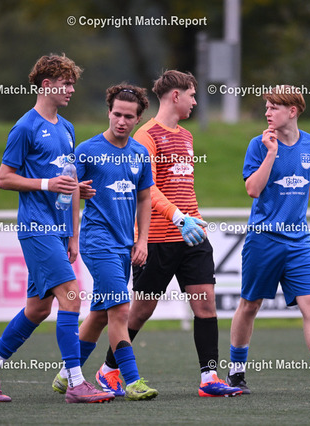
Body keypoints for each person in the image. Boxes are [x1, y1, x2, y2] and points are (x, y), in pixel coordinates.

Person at [0, 54, 113, 403]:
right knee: (72, 296)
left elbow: (69, 180)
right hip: (36, 227)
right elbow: (4, 178)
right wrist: (47, 184)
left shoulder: (67, 128)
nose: (72, 89)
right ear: (46, 85)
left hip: (59, 231)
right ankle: (76, 383)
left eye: (73, 83)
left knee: (37, 309)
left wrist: (74, 231)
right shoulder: (25, 127)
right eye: (66, 83)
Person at [94, 70, 242, 397]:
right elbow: (147, 190)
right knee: (140, 311)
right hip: (157, 240)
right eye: (192, 95)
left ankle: (209, 378)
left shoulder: (186, 136)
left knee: (205, 304)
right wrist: (177, 217)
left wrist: (194, 219)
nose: (195, 102)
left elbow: (182, 187)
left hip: (192, 238)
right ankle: (108, 370)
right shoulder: (146, 135)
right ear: (176, 96)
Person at [227, 85, 310, 396]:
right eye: (266, 106)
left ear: (292, 111)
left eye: (273, 107)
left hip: (298, 242)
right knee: (250, 305)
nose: (267, 112)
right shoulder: (259, 145)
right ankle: (236, 373)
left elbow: (307, 187)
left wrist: (294, 218)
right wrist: (271, 153)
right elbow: (253, 189)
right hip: (263, 239)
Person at [50, 83, 158, 400]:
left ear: (138, 119)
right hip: (98, 242)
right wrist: (73, 197)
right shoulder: (87, 150)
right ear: (108, 112)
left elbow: (145, 198)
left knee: (100, 314)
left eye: (128, 116)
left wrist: (142, 241)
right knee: (121, 310)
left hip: (126, 244)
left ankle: (66, 376)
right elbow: (63, 194)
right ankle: (132, 381)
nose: (121, 121)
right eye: (116, 114)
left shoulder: (140, 153)